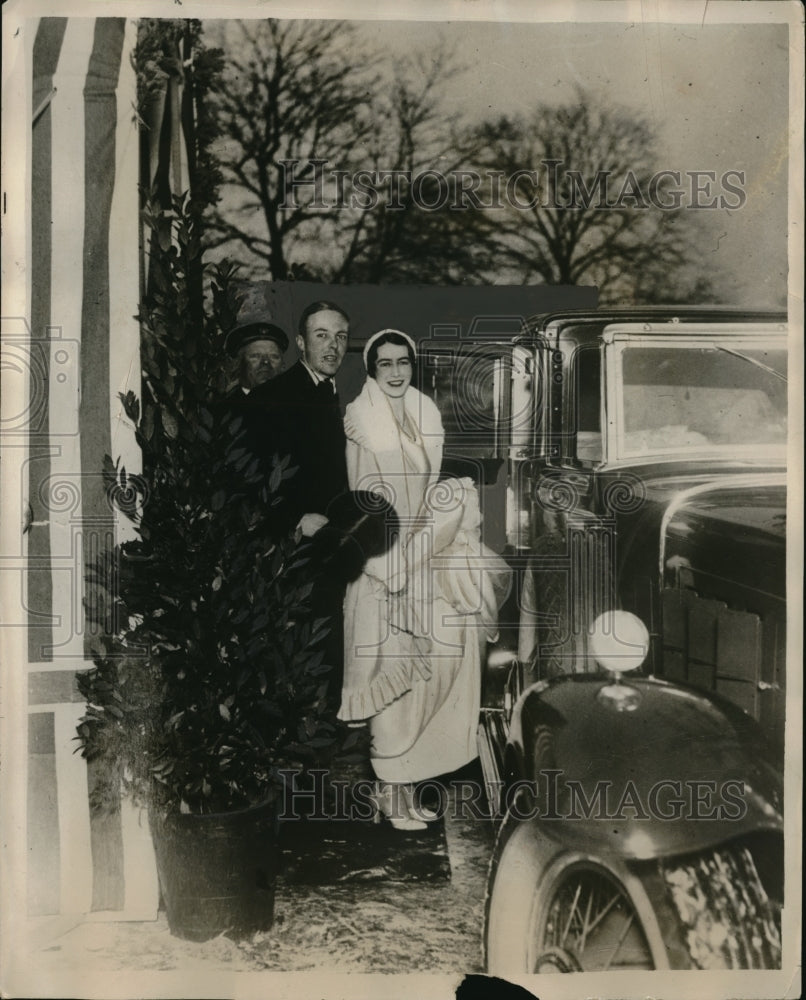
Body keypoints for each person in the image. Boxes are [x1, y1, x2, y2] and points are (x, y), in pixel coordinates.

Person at [338, 329, 510, 831]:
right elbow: (363, 501)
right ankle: (389, 790)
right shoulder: (361, 423)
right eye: (385, 364)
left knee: (440, 666)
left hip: (421, 563)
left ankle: (407, 783)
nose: (395, 372)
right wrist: (393, 562)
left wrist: (441, 522)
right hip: (384, 564)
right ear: (372, 370)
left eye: (403, 363)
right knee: (392, 678)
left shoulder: (423, 414)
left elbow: (428, 488)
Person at [247, 301, 350, 537]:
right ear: (301, 342)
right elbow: (244, 480)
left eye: (341, 336)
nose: (333, 345)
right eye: (321, 335)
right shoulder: (267, 398)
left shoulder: (340, 395)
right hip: (287, 545)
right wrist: (295, 520)